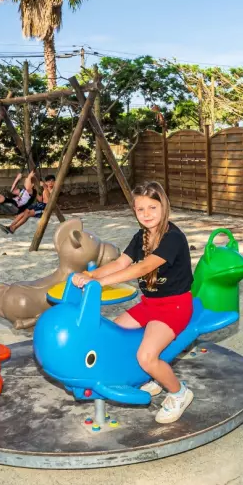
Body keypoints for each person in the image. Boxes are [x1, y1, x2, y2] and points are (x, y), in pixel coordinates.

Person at [71, 181, 195, 424]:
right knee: (112, 335)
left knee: (147, 356)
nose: (146, 214)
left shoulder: (173, 238)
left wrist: (100, 283)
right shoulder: (141, 237)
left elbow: (143, 267)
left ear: (164, 206)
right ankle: (149, 378)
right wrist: (89, 275)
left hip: (174, 306)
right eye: (140, 209)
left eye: (152, 208)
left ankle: (179, 393)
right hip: (150, 304)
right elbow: (120, 263)